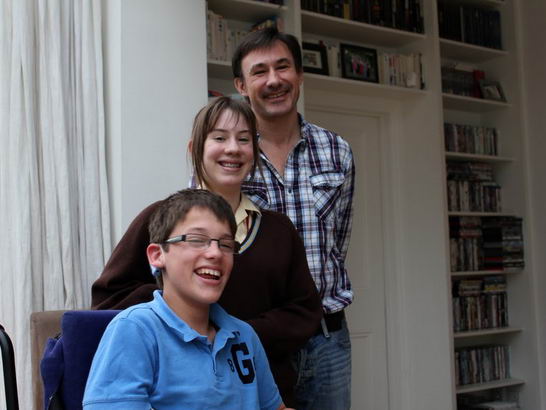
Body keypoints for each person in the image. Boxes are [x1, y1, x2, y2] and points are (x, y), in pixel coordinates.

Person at [90, 97, 322, 407]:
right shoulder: (162, 218)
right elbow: (109, 297)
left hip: (254, 385)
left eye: (243, 139)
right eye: (219, 137)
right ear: (195, 148)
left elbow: (304, 310)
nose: (232, 148)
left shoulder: (278, 230)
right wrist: (185, 307)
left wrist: (230, 331)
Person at [232, 27, 356, 410]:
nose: (274, 80)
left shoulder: (338, 151)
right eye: (259, 71)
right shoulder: (227, 153)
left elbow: (340, 239)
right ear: (241, 84)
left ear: (299, 75)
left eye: (283, 67)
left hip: (327, 339)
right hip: (254, 340)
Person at [83, 189, 291, 409]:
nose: (215, 253)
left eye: (226, 244)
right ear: (157, 255)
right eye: (196, 239)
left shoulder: (244, 336)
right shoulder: (135, 329)